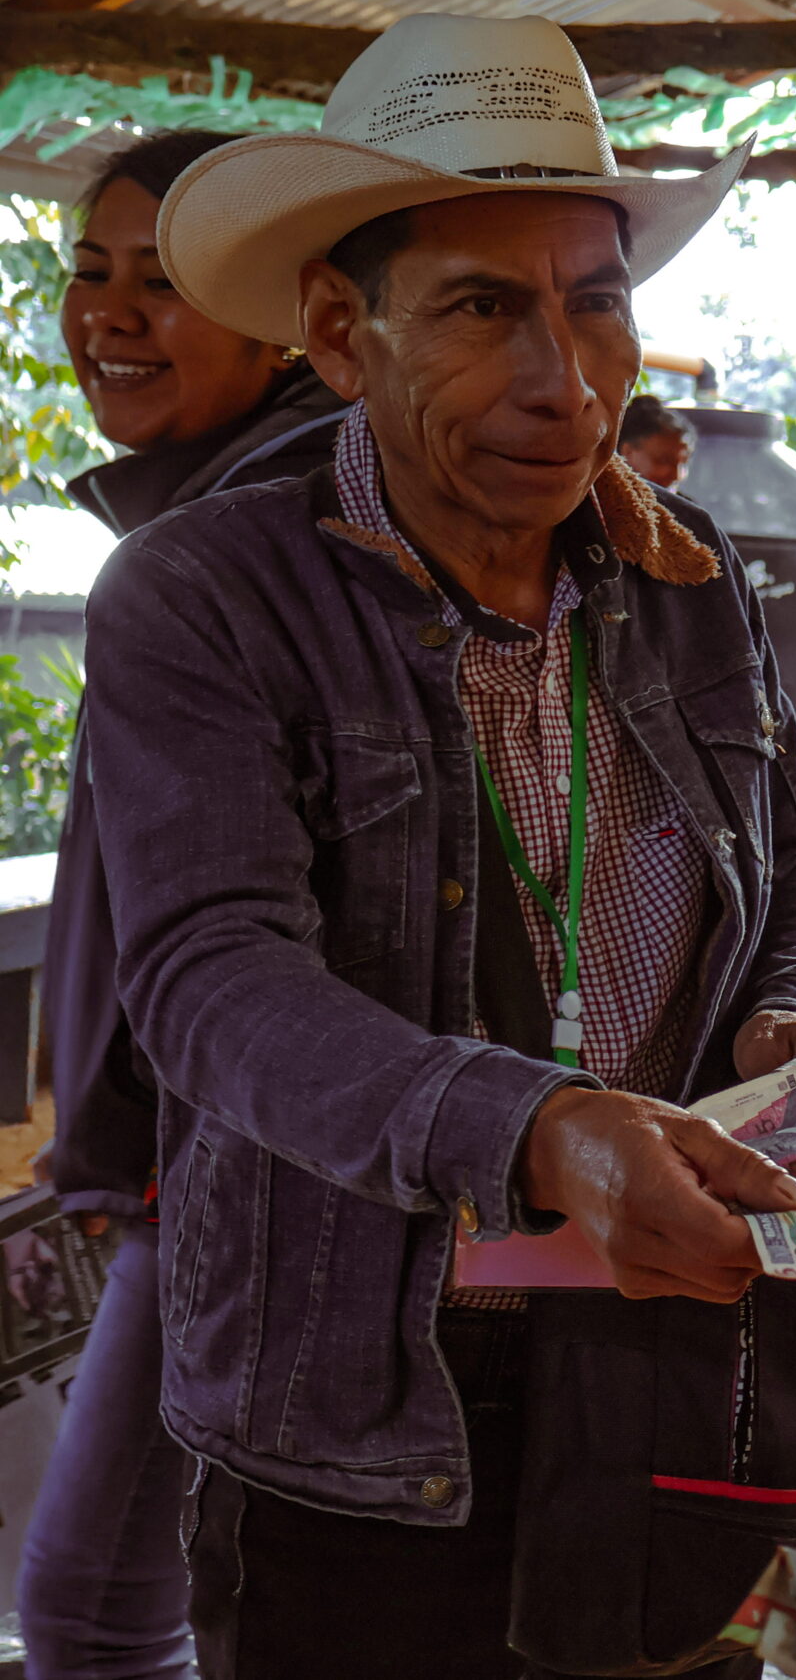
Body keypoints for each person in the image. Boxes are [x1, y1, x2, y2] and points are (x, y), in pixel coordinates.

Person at [79, 14, 796, 1677]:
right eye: (483, 307)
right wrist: (544, 1130)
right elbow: (210, 982)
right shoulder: (207, 597)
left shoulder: (684, 575)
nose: (563, 378)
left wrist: (789, 1017)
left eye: (594, 300)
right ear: (341, 334)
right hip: (356, 1417)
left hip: (655, 1368)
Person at [22, 127, 351, 1680]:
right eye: (91, 273)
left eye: (166, 282)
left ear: (298, 319)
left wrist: (135, 1127)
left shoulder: (258, 530)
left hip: (217, 1163)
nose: (112, 315)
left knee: (96, 1611)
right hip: (179, 1155)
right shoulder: (197, 519)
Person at [617, 391, 695, 489]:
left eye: (684, 462)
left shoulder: (683, 503)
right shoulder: (600, 501)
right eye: (664, 460)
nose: (677, 476)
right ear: (628, 452)